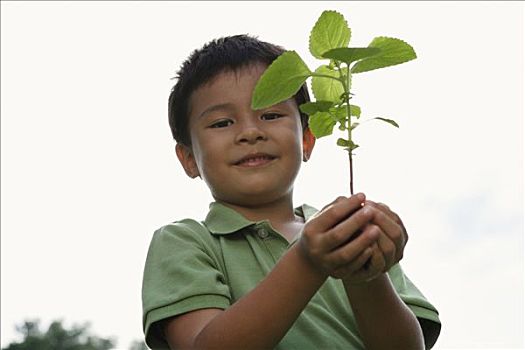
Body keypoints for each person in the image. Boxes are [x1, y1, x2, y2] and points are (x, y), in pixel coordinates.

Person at [142, 35, 441, 350]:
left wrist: (363, 272)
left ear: (307, 140)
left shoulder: (351, 231)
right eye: (222, 123)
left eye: (270, 115)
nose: (250, 132)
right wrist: (307, 262)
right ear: (188, 158)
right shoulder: (185, 242)